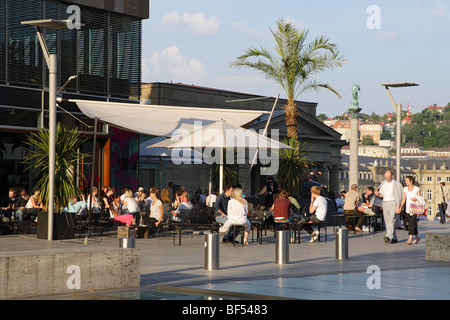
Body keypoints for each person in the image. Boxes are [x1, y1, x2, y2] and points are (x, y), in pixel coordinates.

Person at [375, 169, 403, 244]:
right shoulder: (383, 183)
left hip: (393, 202)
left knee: (391, 219)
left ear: (392, 176)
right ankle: (394, 237)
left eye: (388, 177)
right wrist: (377, 194)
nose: (387, 179)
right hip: (385, 202)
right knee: (387, 221)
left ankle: (388, 235)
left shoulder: (397, 184)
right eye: (386, 177)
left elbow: (400, 196)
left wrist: (398, 206)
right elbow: (382, 194)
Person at [400, 176, 424, 245]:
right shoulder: (405, 189)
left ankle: (410, 238)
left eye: (407, 180)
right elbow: (404, 199)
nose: (405, 182)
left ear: (411, 181)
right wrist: (400, 207)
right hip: (408, 209)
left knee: (412, 223)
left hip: (415, 209)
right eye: (405, 180)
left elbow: (420, 198)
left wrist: (416, 199)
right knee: (411, 223)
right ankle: (417, 237)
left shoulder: (416, 189)